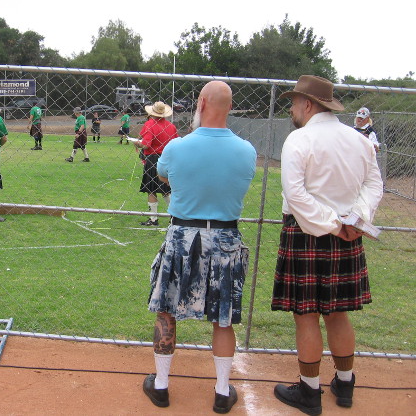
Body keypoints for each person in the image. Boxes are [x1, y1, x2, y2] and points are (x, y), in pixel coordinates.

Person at [142, 81, 256, 413]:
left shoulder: (177, 147)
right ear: (229, 108)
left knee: (167, 308)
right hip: (225, 238)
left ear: (201, 103)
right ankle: (222, 392)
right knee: (223, 318)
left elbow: (164, 176)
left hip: (182, 234)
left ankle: (161, 386)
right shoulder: (246, 151)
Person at [272, 76, 383, 415]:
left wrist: (335, 224)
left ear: (308, 104)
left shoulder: (299, 139)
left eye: (294, 102)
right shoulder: (359, 140)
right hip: (348, 234)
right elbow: (374, 184)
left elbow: (297, 195)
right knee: (338, 314)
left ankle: (309, 392)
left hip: (307, 233)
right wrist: (354, 220)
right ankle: (345, 384)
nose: (291, 108)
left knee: (306, 316)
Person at [131, 102, 178, 226]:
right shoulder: (171, 126)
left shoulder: (150, 124)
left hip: (153, 158)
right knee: (166, 189)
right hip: (168, 158)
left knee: (151, 189)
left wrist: (136, 143)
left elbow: (146, 144)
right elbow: (176, 143)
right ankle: (174, 217)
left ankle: (153, 219)